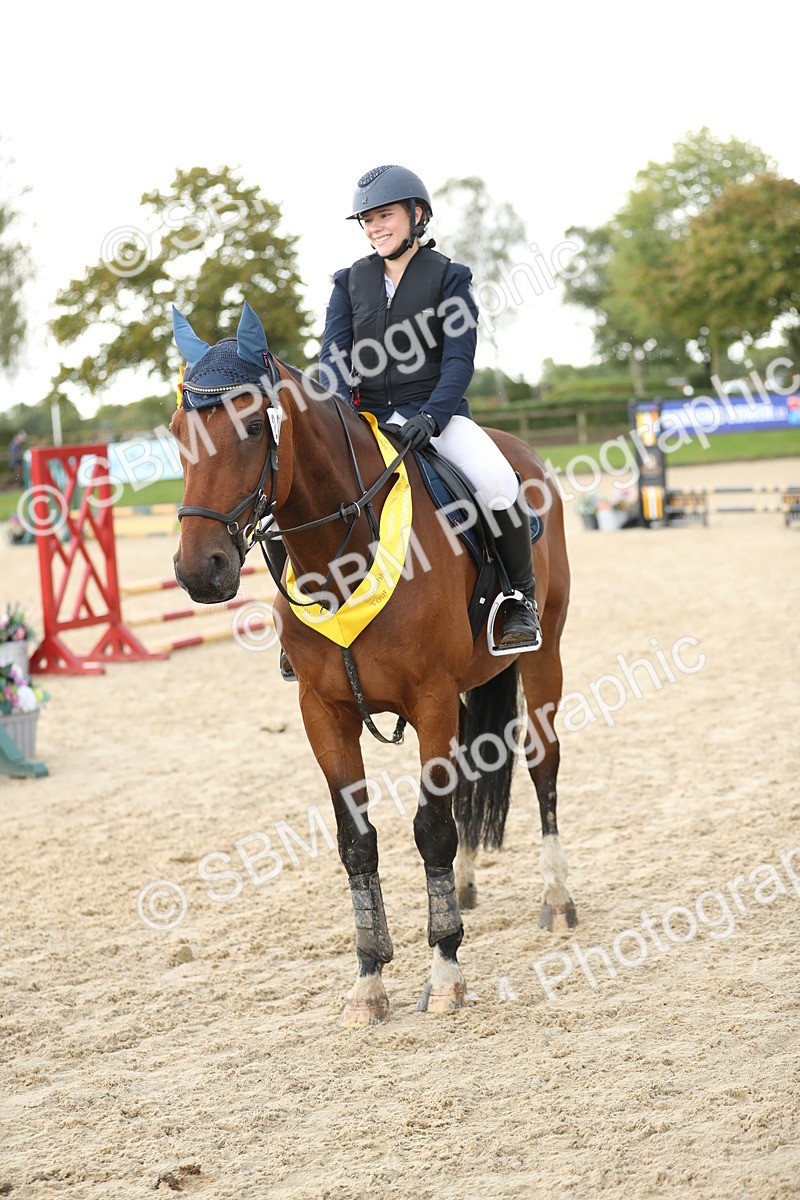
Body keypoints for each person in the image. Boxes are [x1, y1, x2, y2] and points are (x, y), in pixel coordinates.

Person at [273, 165, 541, 680]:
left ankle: (517, 602)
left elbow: (460, 360)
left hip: (435, 416)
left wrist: (432, 417)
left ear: (416, 215)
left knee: (498, 483)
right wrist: (336, 394)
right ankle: (303, 620)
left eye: (385, 216)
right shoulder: (350, 281)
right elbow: (332, 350)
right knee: (298, 486)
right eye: (368, 220)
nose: (375, 227)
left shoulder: (449, 277)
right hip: (364, 418)